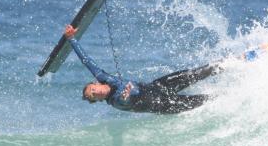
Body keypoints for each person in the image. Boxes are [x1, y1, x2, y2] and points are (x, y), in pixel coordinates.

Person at [64, 25, 220, 114]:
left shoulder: (102, 76)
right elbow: (127, 99)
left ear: (95, 83)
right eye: (94, 96)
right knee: (206, 99)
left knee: (197, 73)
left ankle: (232, 63)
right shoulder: (116, 102)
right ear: (97, 100)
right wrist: (126, 94)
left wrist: (71, 39)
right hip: (164, 104)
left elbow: (86, 61)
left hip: (159, 86)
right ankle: (230, 97)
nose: (95, 93)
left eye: (92, 89)